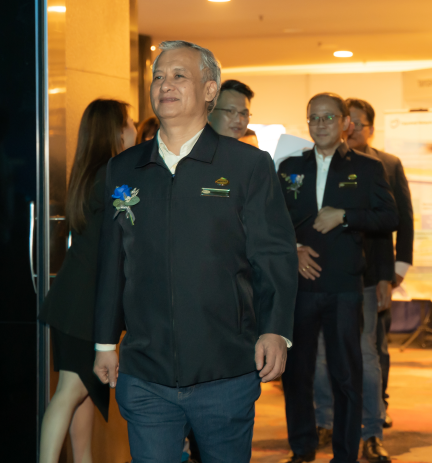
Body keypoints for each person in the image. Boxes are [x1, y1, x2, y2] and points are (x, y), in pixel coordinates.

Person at [93, 40, 298, 463]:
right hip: (145, 372)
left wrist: (275, 330)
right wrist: (104, 342)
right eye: (158, 77)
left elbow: (273, 255)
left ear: (209, 90)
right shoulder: (124, 168)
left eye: (179, 76)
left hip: (225, 370)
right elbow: (113, 262)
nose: (164, 85)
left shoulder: (247, 166)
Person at [279, 93, 398, 463]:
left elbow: (389, 217)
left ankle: (345, 454)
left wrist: (345, 216)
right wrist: (293, 249)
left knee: (346, 373)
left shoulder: (367, 167)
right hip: (300, 285)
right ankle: (302, 448)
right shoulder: (289, 167)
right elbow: (271, 220)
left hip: (345, 286)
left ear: (346, 122)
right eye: (313, 117)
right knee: (296, 373)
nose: (320, 124)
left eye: (329, 117)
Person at [311, 98, 414, 460]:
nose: (351, 127)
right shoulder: (317, 164)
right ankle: (325, 421)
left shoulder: (384, 164)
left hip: (369, 275)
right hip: (321, 274)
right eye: (347, 120)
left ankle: (372, 428)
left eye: (358, 122)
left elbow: (397, 221)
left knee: (367, 352)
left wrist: (393, 272)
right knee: (322, 354)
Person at [37, 99, 137, 463]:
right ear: (115, 130)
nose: (134, 128)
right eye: (129, 122)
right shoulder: (111, 176)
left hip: (73, 300)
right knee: (70, 391)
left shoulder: (90, 173)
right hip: (83, 304)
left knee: (81, 393)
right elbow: (131, 233)